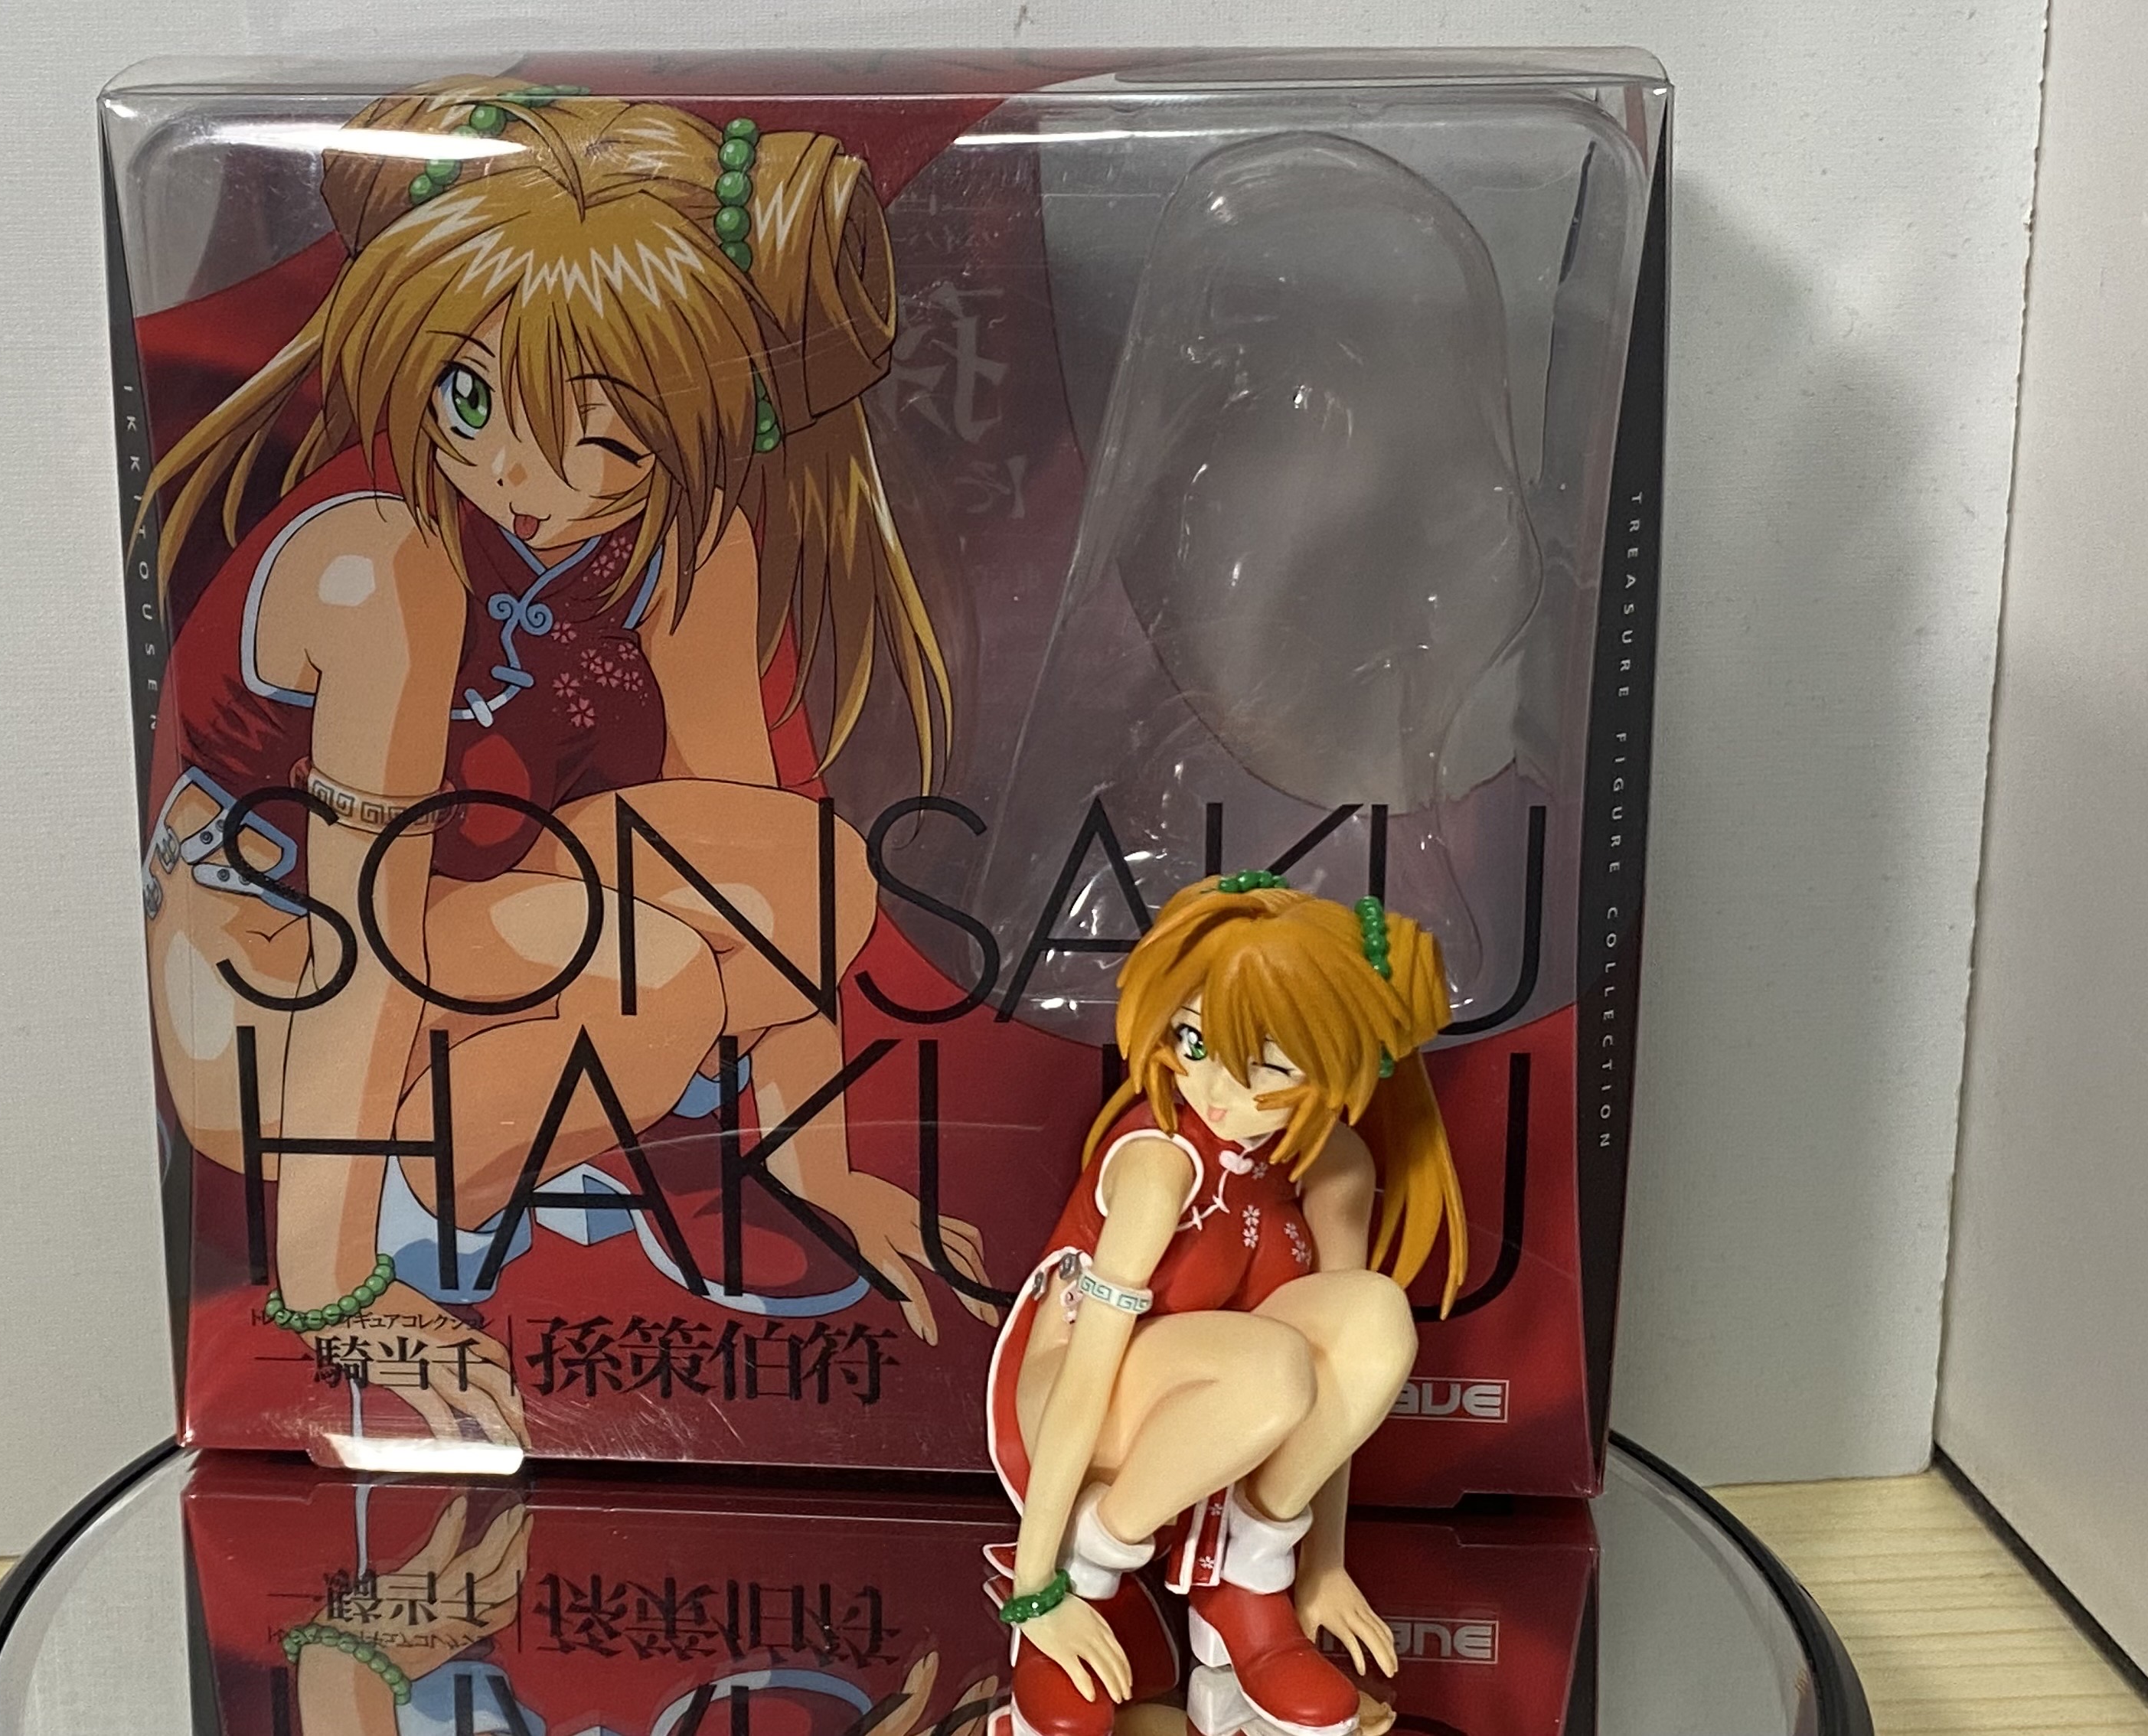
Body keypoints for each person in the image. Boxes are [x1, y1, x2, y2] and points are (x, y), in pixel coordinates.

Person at [135, 79, 994, 1446]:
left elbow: (770, 881)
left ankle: (635, 1156)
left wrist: (814, 1155)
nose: (524, 475)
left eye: (604, 430)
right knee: (657, 983)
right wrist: (328, 1288)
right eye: (471, 396)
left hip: (461, 905)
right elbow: (367, 945)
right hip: (264, 977)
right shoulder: (385, 568)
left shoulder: (682, 541)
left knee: (813, 875)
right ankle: (412, 1217)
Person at [984, 875, 1465, 1736]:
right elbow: (1087, 1375)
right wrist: (1038, 1590)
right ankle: (1092, 1568)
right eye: (1194, 1040)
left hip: (1228, 1423)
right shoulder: (1161, 1164)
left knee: (1375, 1317)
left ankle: (1247, 1586)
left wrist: (1321, 1567)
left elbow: (1342, 1395)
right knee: (1272, 1367)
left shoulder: (1335, 1164)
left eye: (1271, 1066)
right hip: (1076, 1414)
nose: (1216, 1090)